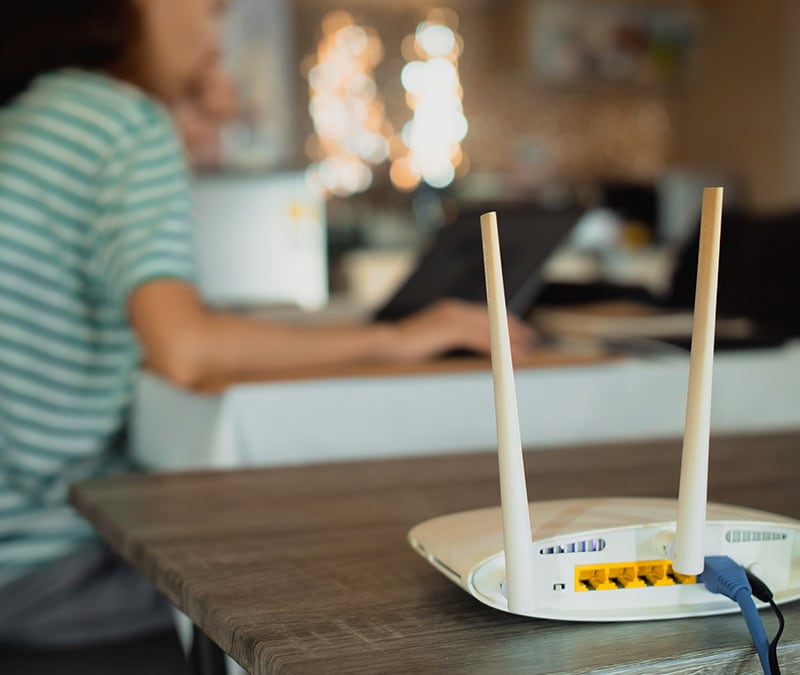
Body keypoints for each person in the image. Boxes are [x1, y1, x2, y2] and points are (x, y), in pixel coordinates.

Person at [0, 0, 534, 660]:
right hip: (44, 561)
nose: (212, 33)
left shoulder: (40, 112)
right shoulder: (118, 120)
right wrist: (392, 340)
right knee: (362, 578)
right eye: (209, 9)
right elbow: (186, 349)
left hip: (26, 545)